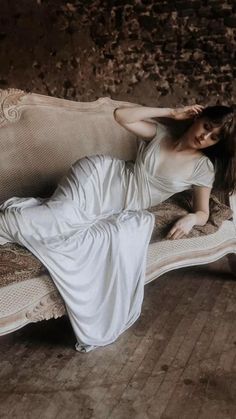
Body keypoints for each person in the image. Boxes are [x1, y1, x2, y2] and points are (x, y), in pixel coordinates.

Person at [0, 102, 235, 352]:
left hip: (118, 205)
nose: (204, 136)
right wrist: (169, 112)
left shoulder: (203, 168)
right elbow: (120, 115)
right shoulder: (161, 135)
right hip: (98, 175)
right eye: (206, 126)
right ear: (197, 119)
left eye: (214, 137)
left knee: (56, 222)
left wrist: (191, 219)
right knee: (57, 217)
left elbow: (202, 212)